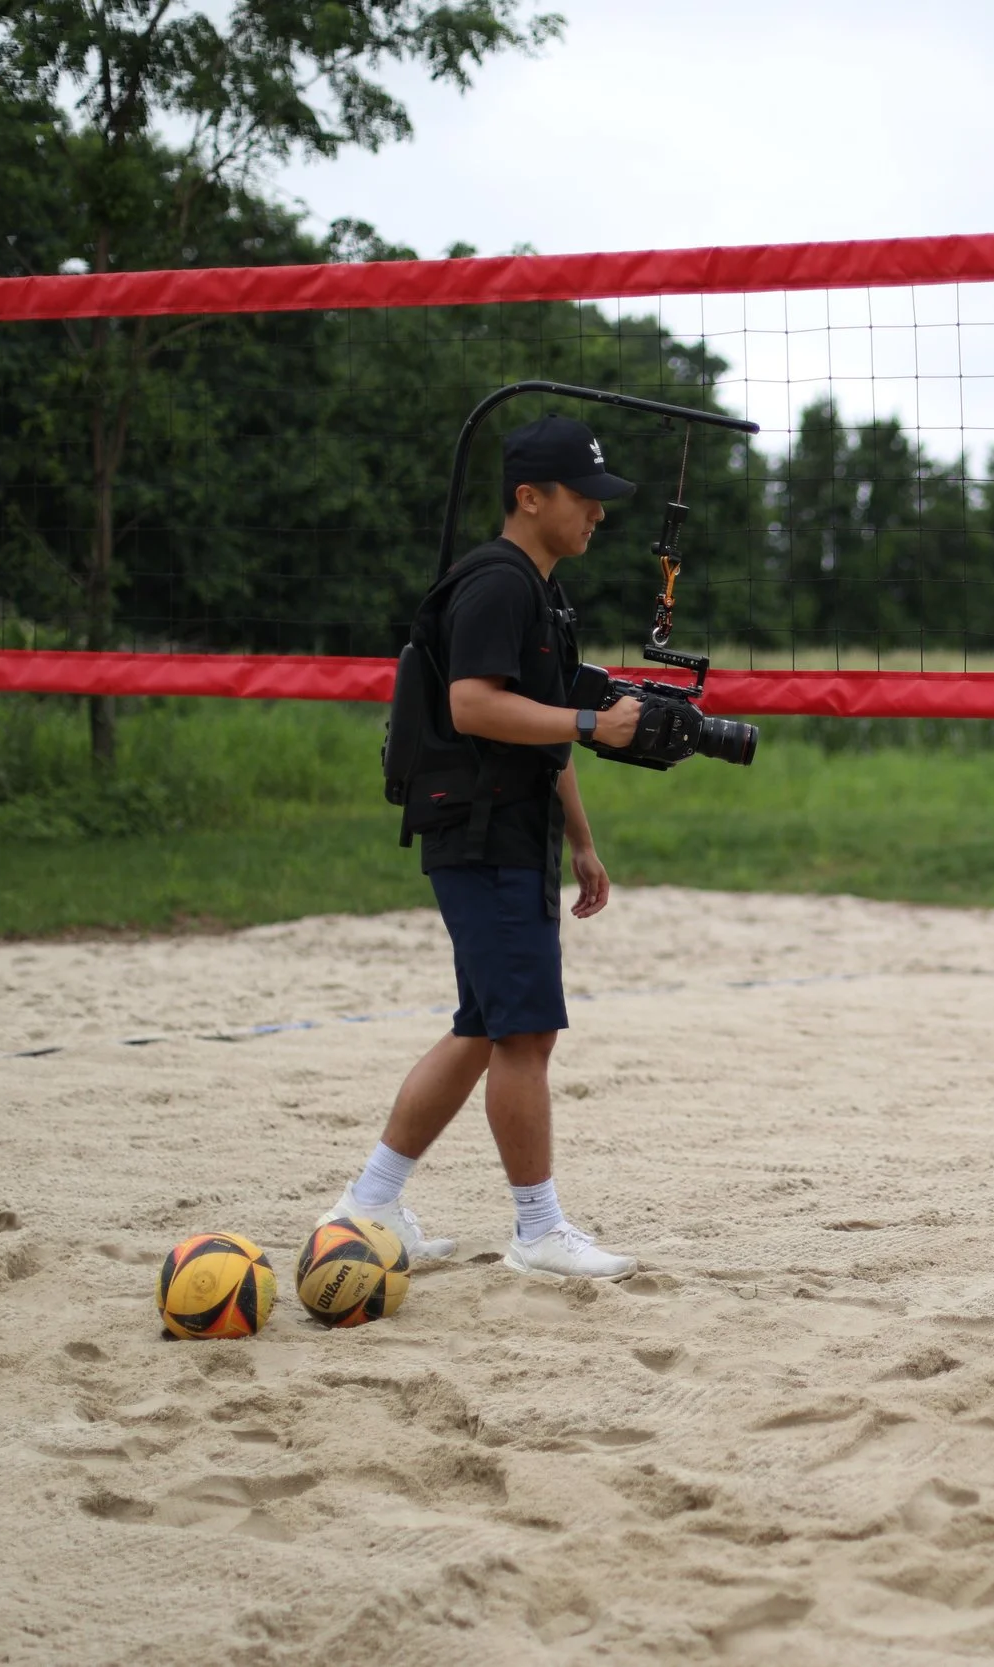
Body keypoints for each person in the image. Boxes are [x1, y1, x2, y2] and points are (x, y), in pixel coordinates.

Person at [321, 415, 648, 1280]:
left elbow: (537, 734)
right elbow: (473, 705)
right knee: (526, 1032)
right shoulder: (498, 583)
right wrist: (589, 719)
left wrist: (581, 838)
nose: (598, 515)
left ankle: (369, 1202)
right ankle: (538, 1231)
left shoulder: (540, 591)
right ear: (529, 497)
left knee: (481, 1026)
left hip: (511, 826)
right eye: (585, 499)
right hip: (480, 829)